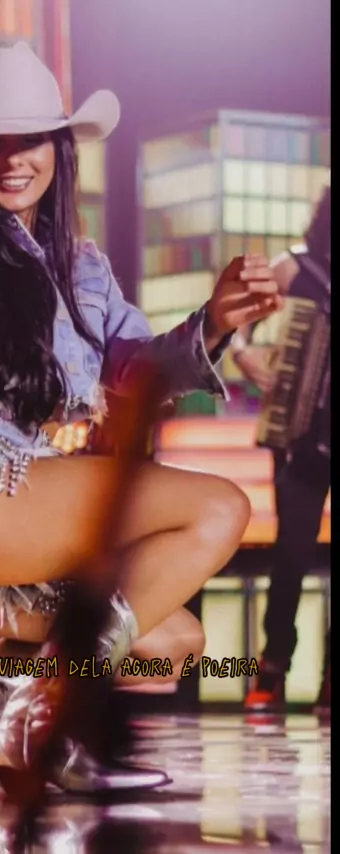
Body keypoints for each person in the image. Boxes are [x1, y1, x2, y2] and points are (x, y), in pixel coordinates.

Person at [0, 42, 281, 795]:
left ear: (59, 149)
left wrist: (215, 322)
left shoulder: (81, 267)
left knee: (173, 640)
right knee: (220, 507)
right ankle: (45, 720)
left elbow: (137, 372)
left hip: (24, 497)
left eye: (32, 139)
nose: (14, 159)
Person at [232, 187, 330, 714]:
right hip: (300, 435)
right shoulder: (296, 268)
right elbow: (240, 324)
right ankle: (272, 667)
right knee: (291, 555)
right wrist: (244, 354)